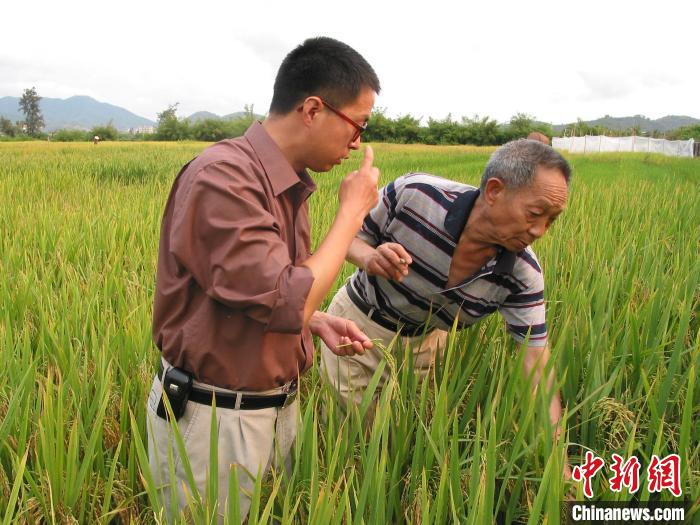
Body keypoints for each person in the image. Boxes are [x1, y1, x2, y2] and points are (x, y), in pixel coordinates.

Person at [146, 36, 380, 522]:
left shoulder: (285, 182)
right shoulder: (224, 178)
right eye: (357, 125)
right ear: (313, 109)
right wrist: (352, 213)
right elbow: (285, 301)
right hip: (216, 421)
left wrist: (312, 322)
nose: (356, 142)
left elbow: (262, 291)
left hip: (270, 410)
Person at [320, 139, 571, 472]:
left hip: (426, 345)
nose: (540, 230)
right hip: (358, 327)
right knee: (349, 445)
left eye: (551, 220)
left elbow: (536, 365)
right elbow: (346, 237)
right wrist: (370, 257)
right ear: (494, 191)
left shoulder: (522, 275)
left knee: (402, 447)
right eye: (535, 214)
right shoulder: (416, 196)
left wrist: (560, 463)